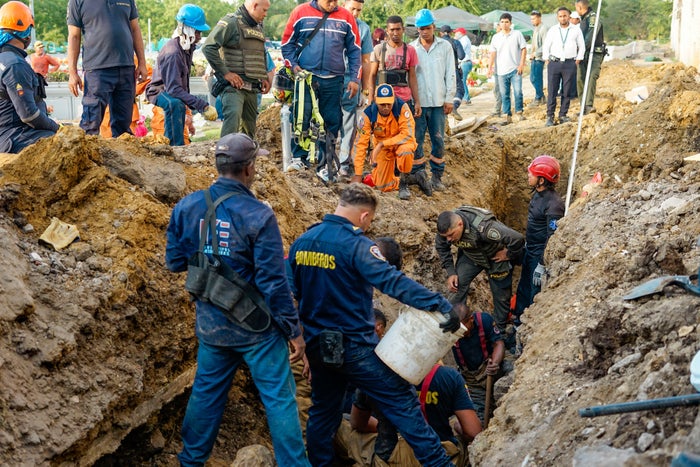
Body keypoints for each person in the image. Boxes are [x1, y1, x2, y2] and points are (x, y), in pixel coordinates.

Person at [288, 183, 462, 467]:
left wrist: (297, 335)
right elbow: (392, 282)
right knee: (402, 402)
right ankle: (439, 464)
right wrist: (437, 303)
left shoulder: (303, 243)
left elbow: (288, 293)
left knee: (323, 411)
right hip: (354, 346)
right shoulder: (358, 246)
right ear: (365, 216)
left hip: (318, 345)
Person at [165, 133, 311, 467]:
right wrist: (294, 332)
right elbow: (273, 283)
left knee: (206, 393)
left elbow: (174, 262)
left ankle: (191, 460)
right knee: (279, 399)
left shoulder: (186, 206)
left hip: (212, 325)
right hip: (255, 329)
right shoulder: (259, 215)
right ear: (248, 169)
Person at [342, 363, 482, 466]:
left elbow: (358, 423)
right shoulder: (450, 376)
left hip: (391, 458)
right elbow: (473, 432)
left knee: (343, 423)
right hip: (440, 454)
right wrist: (458, 427)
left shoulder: (372, 376)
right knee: (456, 425)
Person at [281, 0, 361, 178]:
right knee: (301, 116)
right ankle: (298, 159)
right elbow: (287, 45)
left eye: (335, 0)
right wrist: (294, 66)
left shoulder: (346, 17)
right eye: (328, 0)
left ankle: (325, 164)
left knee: (332, 121)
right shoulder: (300, 12)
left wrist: (355, 78)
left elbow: (355, 50)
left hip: (334, 80)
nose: (332, 3)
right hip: (306, 77)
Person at [435, 205, 525, 334]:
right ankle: (453, 324)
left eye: (451, 235)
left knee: (501, 295)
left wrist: (508, 254)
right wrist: (451, 272)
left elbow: (517, 238)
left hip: (495, 256)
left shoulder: (485, 227)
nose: (448, 239)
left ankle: (499, 330)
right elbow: (442, 249)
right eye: (446, 237)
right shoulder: (445, 232)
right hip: (471, 255)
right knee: (457, 286)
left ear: (460, 224)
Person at [67, 0, 148, 137]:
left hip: (126, 67)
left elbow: (135, 28)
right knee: (90, 123)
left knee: (123, 127)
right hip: (97, 70)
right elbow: (74, 36)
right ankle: (84, 157)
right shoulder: (77, 1)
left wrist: (142, 63)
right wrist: (72, 72)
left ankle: (122, 157)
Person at [146, 5, 217, 146]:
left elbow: (183, 85)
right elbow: (173, 89)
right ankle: (174, 147)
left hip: (171, 90)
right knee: (174, 103)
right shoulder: (173, 52)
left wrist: (189, 113)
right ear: (188, 30)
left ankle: (178, 145)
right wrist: (203, 106)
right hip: (160, 91)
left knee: (177, 103)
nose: (199, 37)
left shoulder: (185, 47)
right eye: (197, 32)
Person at [202, 0, 271, 139]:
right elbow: (208, 47)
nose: (266, 14)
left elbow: (259, 53)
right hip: (234, 88)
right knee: (232, 121)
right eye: (264, 10)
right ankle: (225, 155)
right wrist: (226, 73)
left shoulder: (258, 27)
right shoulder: (231, 22)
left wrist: (263, 76)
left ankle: (246, 158)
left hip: (252, 88)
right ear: (254, 6)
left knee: (249, 131)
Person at [0, 1, 59, 154]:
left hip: (8, 133)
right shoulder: (15, 65)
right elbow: (29, 115)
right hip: (16, 137)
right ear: (26, 33)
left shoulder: (5, 59)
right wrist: (57, 128)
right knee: (64, 145)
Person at [513, 155, 565, 323]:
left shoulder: (554, 205)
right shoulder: (537, 195)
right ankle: (516, 324)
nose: (528, 175)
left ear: (541, 180)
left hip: (538, 256)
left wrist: (542, 264)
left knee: (533, 294)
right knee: (522, 289)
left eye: (532, 174)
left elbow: (552, 237)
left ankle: (527, 329)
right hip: (530, 250)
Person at [410, 9, 456, 193]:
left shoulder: (445, 47)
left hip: (438, 103)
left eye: (427, 28)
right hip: (419, 103)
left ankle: (437, 177)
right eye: (421, 28)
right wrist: (414, 101)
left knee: (438, 140)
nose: (424, 32)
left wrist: (449, 98)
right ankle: (419, 175)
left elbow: (450, 73)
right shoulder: (412, 48)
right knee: (417, 140)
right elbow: (410, 77)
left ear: (434, 27)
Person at [350, 84, 416, 200]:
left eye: (389, 104)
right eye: (382, 104)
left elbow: (408, 134)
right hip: (384, 149)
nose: (386, 107)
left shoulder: (402, 108)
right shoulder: (368, 115)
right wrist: (358, 174)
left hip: (400, 144)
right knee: (382, 186)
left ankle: (404, 184)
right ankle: (415, 179)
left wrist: (382, 144)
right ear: (376, 101)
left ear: (393, 100)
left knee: (405, 150)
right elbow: (360, 144)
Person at [337, 0, 373, 179]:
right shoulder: (332, 22)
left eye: (359, 10)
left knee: (348, 124)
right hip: (330, 80)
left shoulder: (364, 29)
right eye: (352, 9)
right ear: (343, 4)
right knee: (325, 122)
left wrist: (365, 89)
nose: (356, 13)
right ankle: (324, 161)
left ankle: (344, 163)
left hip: (352, 82)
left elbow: (366, 61)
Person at [453, 306, 505, 422]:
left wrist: (495, 363)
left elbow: (499, 343)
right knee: (473, 422)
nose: (460, 333)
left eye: (462, 329)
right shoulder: (450, 331)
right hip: (472, 382)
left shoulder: (484, 320)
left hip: (492, 372)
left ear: (471, 319)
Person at [368, 16, 421, 118]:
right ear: (387, 31)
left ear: (403, 30)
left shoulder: (410, 50)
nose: (395, 33)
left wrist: (417, 101)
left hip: (404, 99)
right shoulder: (379, 49)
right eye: (392, 30)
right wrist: (371, 98)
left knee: (405, 131)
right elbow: (372, 75)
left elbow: (412, 77)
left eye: (398, 29)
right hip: (383, 100)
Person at [542, 7, 585, 127]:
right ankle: (550, 116)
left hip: (569, 64)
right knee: (552, 91)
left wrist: (578, 59)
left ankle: (563, 115)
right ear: (557, 17)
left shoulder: (576, 30)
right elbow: (546, 45)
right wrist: (546, 58)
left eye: (565, 16)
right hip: (554, 63)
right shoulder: (553, 30)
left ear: (569, 16)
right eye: (560, 16)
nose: (563, 18)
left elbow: (581, 46)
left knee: (567, 91)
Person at [487, 13, 527, 125]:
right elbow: (492, 53)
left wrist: (521, 64)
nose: (504, 24)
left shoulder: (517, 34)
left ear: (510, 23)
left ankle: (519, 113)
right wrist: (490, 67)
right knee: (504, 94)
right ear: (499, 23)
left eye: (507, 22)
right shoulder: (496, 37)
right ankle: (507, 115)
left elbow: (524, 49)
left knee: (518, 92)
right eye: (502, 22)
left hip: (515, 69)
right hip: (501, 71)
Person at [576, 0, 605, 114]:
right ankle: (582, 106)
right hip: (583, 54)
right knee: (580, 79)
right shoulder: (583, 18)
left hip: (594, 53)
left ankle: (588, 105)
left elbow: (590, 37)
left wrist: (581, 48)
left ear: (580, 7)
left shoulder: (593, 18)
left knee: (592, 77)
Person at [439, 25, 465, 121]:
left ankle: (443, 119)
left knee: (441, 93)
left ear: (440, 33)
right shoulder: (455, 42)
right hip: (453, 69)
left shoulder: (438, 44)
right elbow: (461, 56)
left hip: (439, 71)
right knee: (459, 90)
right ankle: (454, 106)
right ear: (450, 33)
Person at [528, 10, 548, 107]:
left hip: (539, 57)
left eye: (534, 18)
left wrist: (535, 53)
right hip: (534, 57)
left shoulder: (543, 29)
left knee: (536, 78)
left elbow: (545, 45)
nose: (532, 21)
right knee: (533, 78)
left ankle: (538, 97)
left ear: (540, 18)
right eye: (531, 19)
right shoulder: (536, 28)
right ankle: (541, 96)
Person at [454, 28, 473, 106]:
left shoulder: (463, 40)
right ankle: (466, 98)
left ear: (460, 33)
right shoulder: (465, 39)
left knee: (462, 81)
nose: (455, 35)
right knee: (463, 81)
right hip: (466, 62)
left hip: (464, 62)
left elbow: (460, 52)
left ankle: (466, 98)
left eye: (456, 33)